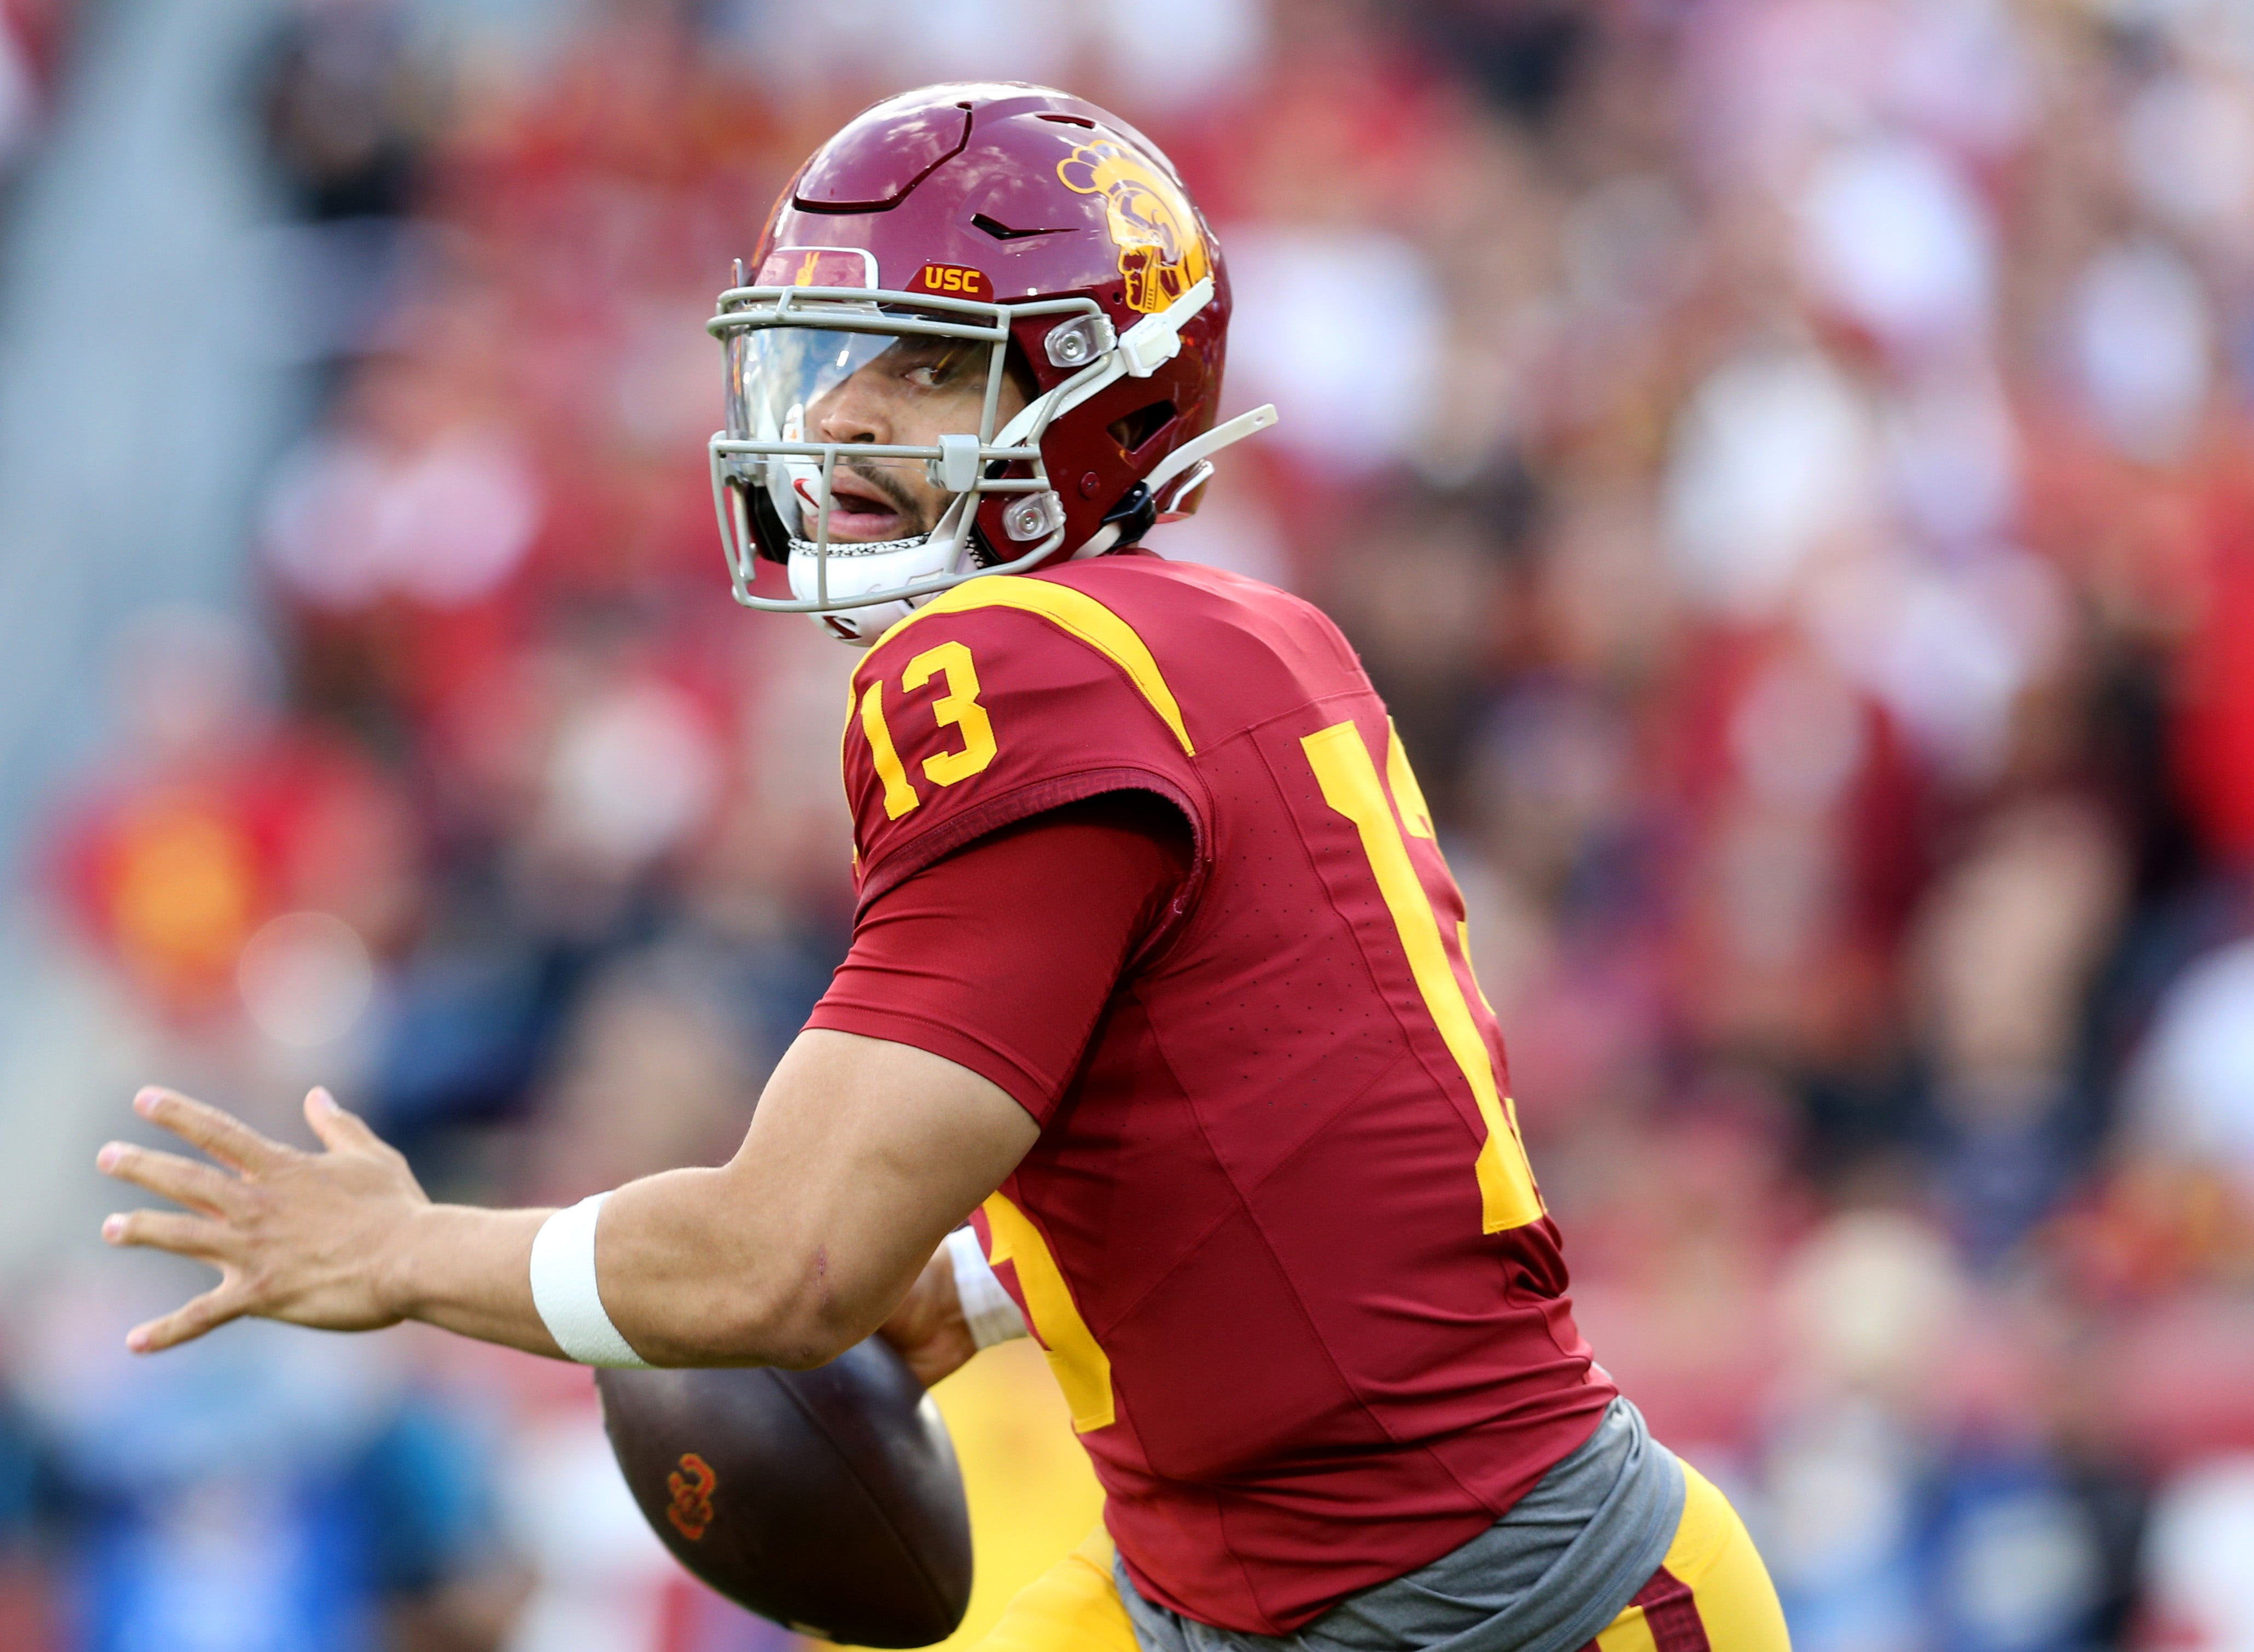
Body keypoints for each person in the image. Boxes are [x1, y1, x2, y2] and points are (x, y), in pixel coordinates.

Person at [98, 84, 1791, 1652]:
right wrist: (979, 1276)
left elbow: (782, 1263)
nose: (839, 412)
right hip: (1276, 1575)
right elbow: (1271, 1101)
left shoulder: (1007, 665)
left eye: (916, 365)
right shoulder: (1255, 630)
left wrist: (406, 1254)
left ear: (1087, 386)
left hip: (1481, 1602)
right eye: (834, 354)